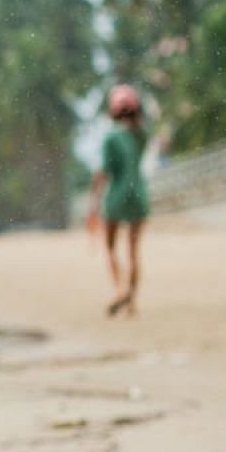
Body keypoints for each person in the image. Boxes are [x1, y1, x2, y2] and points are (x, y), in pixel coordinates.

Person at [89, 84, 151, 317]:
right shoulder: (141, 135)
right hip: (139, 194)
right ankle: (131, 302)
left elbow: (103, 172)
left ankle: (121, 289)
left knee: (111, 247)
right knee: (134, 252)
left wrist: (93, 197)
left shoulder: (111, 137)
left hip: (116, 195)